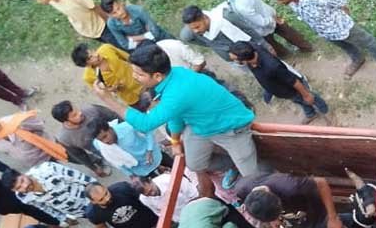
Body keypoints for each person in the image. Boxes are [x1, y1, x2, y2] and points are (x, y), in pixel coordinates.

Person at [90, 44, 258, 192]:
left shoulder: (176, 93)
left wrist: (107, 99)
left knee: (253, 179)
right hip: (199, 126)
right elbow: (177, 113)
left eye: (139, 74)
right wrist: (176, 141)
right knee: (195, 164)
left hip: (231, 129)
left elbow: (145, 124)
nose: (134, 77)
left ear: (156, 76)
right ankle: (232, 164)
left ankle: (254, 174)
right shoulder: (174, 75)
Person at [270, 0, 376, 82]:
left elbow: (340, 0)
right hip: (325, 31)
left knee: (367, 41)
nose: (280, 2)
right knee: (344, 45)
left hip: (341, 26)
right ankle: (358, 59)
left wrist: (344, 14)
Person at [211, 0, 313, 59]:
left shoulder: (241, 5)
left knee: (273, 44)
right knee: (287, 31)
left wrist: (272, 20)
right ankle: (306, 47)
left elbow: (259, 22)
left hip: (262, 25)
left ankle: (288, 56)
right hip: (267, 11)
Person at [228, 42, 328, 122]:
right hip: (283, 90)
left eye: (236, 60)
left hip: (292, 88)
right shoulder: (251, 49)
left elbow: (294, 81)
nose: (235, 62)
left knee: (310, 98)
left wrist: (306, 95)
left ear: (244, 61)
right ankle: (311, 114)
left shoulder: (272, 67)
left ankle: (325, 112)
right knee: (299, 101)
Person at [235, 171, 343, 228]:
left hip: (312, 206)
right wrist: (272, 219)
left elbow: (321, 182)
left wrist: (333, 217)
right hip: (297, 216)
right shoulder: (242, 189)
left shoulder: (290, 187)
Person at [28, 0, 123, 49]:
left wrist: (110, 23)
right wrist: (81, 30)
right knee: (115, 48)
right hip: (90, 32)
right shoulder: (51, 0)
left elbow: (94, 7)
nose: (39, 2)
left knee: (123, 46)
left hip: (102, 28)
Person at [2, 161, 95, 225]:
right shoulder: (22, 197)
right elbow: (44, 207)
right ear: (14, 191)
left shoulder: (48, 169)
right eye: (19, 187)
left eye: (22, 180)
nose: (25, 186)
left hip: (91, 197)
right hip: (79, 212)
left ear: (22, 174)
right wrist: (63, 217)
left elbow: (80, 177)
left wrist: (97, 189)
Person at [0, 111, 68, 169]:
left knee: (76, 159)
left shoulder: (19, 123)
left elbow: (40, 124)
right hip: (39, 163)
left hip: (51, 148)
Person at [178, 5, 269, 64]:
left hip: (248, 50)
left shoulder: (226, 17)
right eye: (192, 28)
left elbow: (247, 29)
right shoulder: (194, 31)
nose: (195, 31)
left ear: (204, 17)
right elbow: (187, 36)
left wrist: (264, 44)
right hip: (235, 61)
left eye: (197, 27)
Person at [73, 43, 148, 111]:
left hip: (146, 83)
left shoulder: (107, 48)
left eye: (92, 51)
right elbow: (102, 92)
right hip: (132, 97)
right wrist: (111, 89)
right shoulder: (88, 77)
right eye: (91, 57)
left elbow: (130, 58)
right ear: (87, 65)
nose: (96, 55)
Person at [85, 182, 159, 228]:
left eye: (106, 193)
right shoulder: (93, 213)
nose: (107, 198)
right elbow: (101, 227)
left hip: (155, 220)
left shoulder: (123, 189)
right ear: (93, 201)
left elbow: (147, 198)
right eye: (101, 199)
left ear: (105, 187)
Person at [50, 100, 114, 177]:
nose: (80, 113)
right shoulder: (65, 138)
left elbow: (114, 116)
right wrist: (94, 168)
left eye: (77, 109)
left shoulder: (92, 109)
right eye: (74, 115)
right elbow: (79, 155)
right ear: (66, 122)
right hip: (107, 153)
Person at [90, 117, 169, 179]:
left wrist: (150, 149)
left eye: (105, 136)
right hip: (141, 170)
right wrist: (131, 176)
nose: (105, 141)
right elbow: (118, 163)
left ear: (110, 128)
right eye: (101, 140)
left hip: (155, 157)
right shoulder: (100, 145)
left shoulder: (128, 127)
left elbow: (148, 131)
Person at [101, 0, 173, 50]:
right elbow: (125, 44)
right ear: (109, 15)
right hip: (144, 47)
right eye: (114, 13)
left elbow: (155, 32)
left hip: (161, 37)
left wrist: (131, 38)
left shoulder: (137, 10)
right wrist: (145, 36)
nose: (119, 13)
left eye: (119, 8)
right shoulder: (111, 24)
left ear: (121, 3)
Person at [135, 170, 202, 220]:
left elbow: (193, 193)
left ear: (150, 180)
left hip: (196, 207)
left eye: (151, 190)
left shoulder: (168, 179)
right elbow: (158, 212)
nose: (152, 194)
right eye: (148, 195)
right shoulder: (144, 199)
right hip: (180, 219)